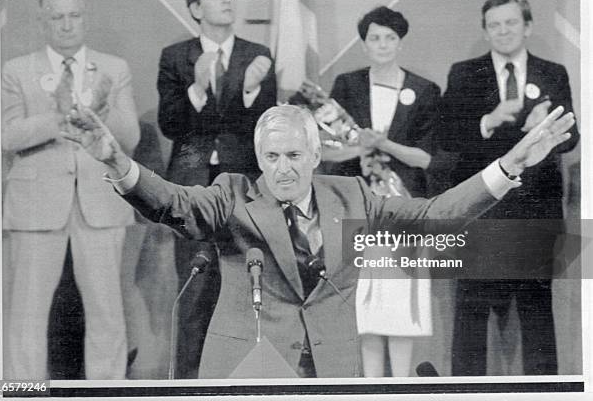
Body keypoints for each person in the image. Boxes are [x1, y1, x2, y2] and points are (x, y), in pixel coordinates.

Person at [63, 102, 573, 379]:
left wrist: (510, 166)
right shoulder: (232, 195)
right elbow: (175, 204)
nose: (281, 169)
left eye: (292, 156)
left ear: (314, 156)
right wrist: (115, 160)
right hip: (250, 368)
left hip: (330, 369)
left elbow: (436, 217)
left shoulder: (352, 195)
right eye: (271, 158)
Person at [2, 0, 140, 379]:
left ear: (85, 18)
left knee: (107, 312)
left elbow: (130, 137)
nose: (66, 25)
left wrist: (101, 109)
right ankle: (22, 391)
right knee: (26, 316)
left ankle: (107, 391)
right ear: (43, 23)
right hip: (35, 206)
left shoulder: (113, 69)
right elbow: (6, 135)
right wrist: (58, 120)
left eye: (73, 16)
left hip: (101, 202)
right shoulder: (16, 70)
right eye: (56, 17)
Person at [440, 0, 579, 375]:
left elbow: (573, 138)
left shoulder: (553, 73)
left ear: (528, 26)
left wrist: (546, 130)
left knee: (537, 315)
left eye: (511, 22)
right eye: (494, 25)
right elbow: (448, 138)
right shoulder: (464, 74)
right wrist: (491, 120)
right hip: (481, 215)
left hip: (536, 214)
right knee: (470, 315)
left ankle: (544, 394)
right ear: (485, 31)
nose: (503, 31)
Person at [156, 0, 277, 378]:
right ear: (195, 7)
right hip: (190, 189)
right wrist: (197, 87)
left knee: (245, 288)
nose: (226, 0)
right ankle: (188, 383)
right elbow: (170, 125)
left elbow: (265, 129)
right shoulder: (175, 57)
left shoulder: (257, 54)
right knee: (194, 288)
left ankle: (241, 380)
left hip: (242, 189)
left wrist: (249, 91)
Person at [326, 6, 440, 377]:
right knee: (365, 301)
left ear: (400, 42)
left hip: (404, 210)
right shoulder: (347, 85)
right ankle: (371, 385)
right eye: (374, 38)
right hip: (357, 208)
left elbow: (427, 158)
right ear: (363, 44)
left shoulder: (424, 90)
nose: (382, 44)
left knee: (400, 302)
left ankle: (403, 384)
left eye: (390, 37)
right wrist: (360, 149)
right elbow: (326, 149)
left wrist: (384, 145)